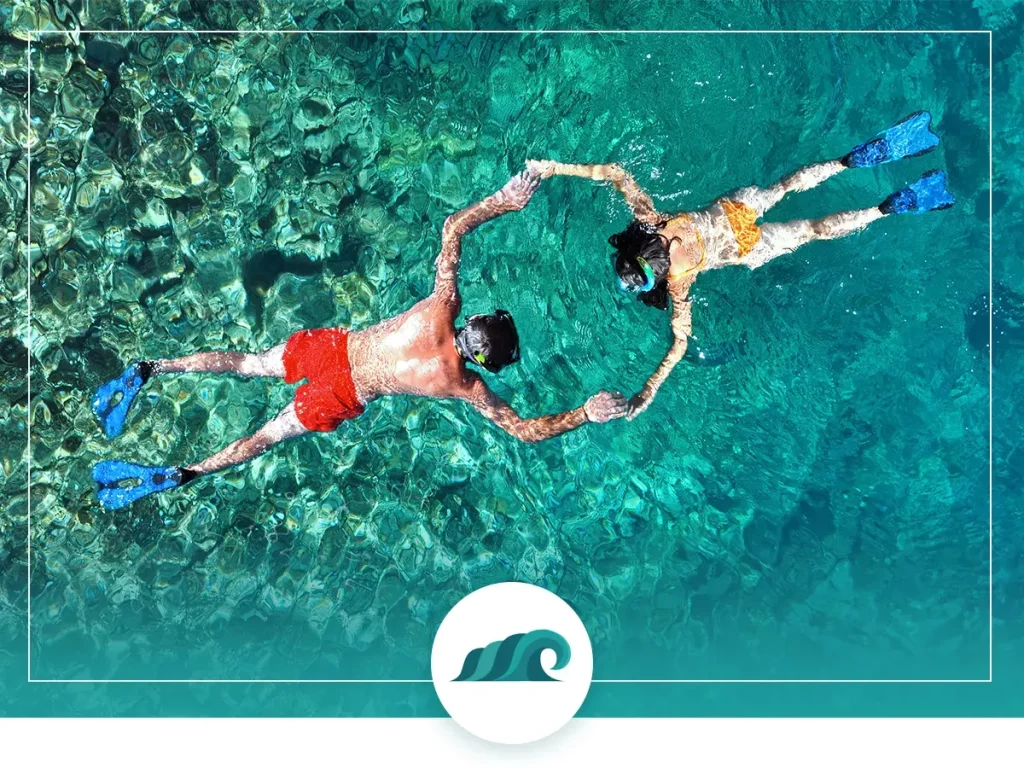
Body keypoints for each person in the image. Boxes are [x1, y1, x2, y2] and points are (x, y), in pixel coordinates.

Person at [91, 169, 627, 510]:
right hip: (344, 394)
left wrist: (504, 201)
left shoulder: (443, 307)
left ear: (474, 322)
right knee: (262, 440)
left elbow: (452, 228)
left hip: (332, 349)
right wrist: (585, 412)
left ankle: (152, 368)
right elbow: (525, 431)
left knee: (250, 364)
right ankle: (183, 473)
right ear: (487, 363)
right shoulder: (465, 386)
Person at [527, 111, 955, 419]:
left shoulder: (679, 282)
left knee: (814, 229)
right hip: (736, 209)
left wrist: (648, 390)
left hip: (747, 247)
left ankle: (887, 208)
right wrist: (554, 167)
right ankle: (853, 161)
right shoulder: (653, 222)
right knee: (786, 186)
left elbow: (678, 344)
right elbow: (617, 173)